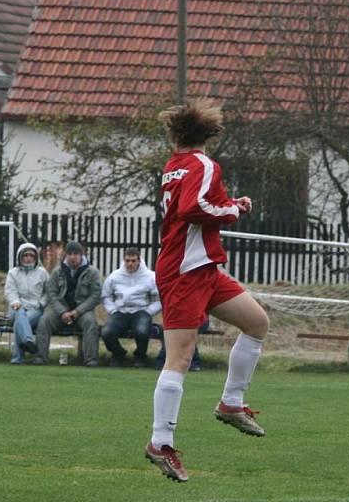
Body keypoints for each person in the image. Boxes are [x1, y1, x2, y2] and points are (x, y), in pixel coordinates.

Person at [144, 99, 270, 482]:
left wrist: (231, 203)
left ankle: (231, 403)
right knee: (179, 359)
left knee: (256, 322)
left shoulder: (175, 166)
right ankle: (160, 442)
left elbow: (195, 207)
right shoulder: (202, 165)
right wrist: (233, 211)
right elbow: (193, 209)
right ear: (208, 134)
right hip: (185, 269)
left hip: (201, 265)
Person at [34, 241, 102, 367]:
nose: (72, 257)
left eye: (76, 254)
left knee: (90, 323)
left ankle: (91, 359)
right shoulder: (57, 272)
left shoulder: (92, 272)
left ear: (82, 255)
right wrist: (62, 312)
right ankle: (40, 357)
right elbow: (51, 294)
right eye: (69, 254)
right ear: (65, 255)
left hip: (82, 310)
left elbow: (96, 296)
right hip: (60, 308)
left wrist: (78, 311)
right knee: (44, 321)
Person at [100, 247, 162, 368]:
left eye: (133, 261)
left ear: (139, 260)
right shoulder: (114, 276)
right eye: (127, 260)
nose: (130, 264)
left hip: (141, 312)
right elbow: (105, 296)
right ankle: (118, 354)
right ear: (124, 260)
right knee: (106, 332)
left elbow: (160, 299)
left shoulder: (150, 277)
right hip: (120, 312)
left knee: (142, 331)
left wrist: (149, 311)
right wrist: (112, 310)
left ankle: (140, 357)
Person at [4, 242, 49, 364]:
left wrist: (41, 303)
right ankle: (28, 340)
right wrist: (15, 302)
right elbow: (10, 291)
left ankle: (17, 358)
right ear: (20, 256)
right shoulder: (13, 273)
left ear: (35, 258)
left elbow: (48, 292)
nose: (28, 258)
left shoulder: (42, 273)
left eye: (31, 256)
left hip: (35, 308)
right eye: (25, 255)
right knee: (19, 313)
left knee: (20, 322)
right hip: (17, 307)